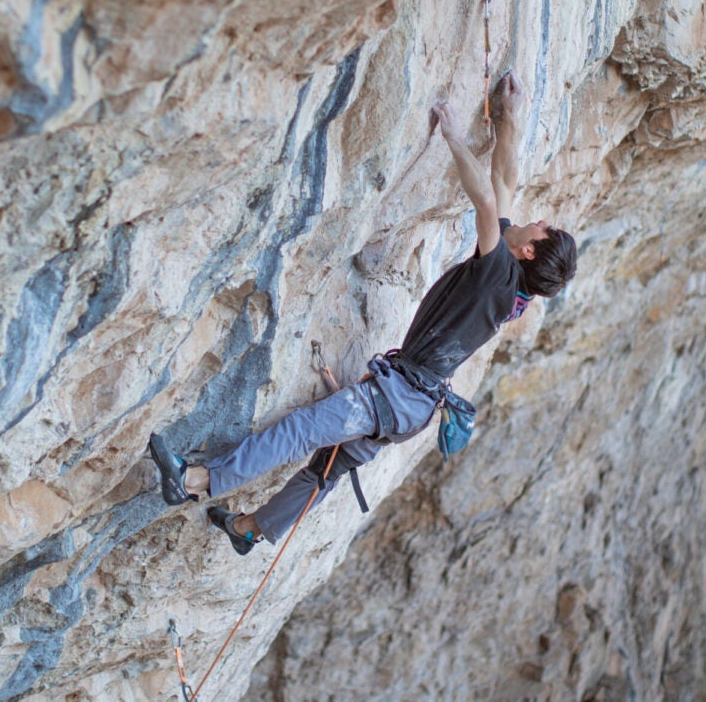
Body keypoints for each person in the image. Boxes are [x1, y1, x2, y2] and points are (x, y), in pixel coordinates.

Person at [148, 72, 577, 554]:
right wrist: (510, 119)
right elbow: (504, 181)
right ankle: (249, 529)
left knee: (302, 431)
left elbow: (484, 195)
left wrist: (454, 134)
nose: (537, 222)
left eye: (542, 231)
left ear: (528, 254)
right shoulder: (513, 291)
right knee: (323, 470)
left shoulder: (495, 271)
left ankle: (194, 481)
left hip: (397, 396)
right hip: (411, 403)